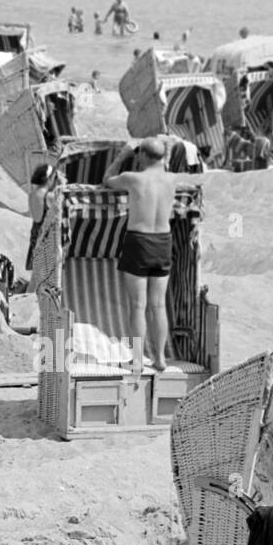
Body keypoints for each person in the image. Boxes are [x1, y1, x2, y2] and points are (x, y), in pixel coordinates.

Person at [102, 138, 178, 372]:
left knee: (137, 305)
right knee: (158, 306)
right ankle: (160, 358)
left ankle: (137, 360)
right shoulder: (172, 179)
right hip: (163, 241)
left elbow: (107, 180)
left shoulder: (133, 179)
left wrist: (122, 155)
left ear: (142, 154)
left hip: (139, 240)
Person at [26, 163, 51, 271]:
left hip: (35, 232)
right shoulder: (50, 196)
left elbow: (36, 218)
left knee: (36, 268)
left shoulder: (32, 194)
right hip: (47, 234)